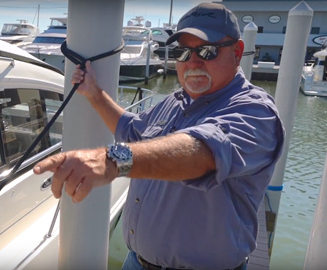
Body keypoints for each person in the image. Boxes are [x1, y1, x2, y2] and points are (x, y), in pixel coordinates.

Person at [33, 2, 285, 270]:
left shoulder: (256, 111)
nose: (194, 62)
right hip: (136, 262)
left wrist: (111, 160)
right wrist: (95, 94)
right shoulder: (174, 101)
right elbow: (132, 131)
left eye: (207, 51)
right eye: (183, 52)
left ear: (237, 52)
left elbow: (204, 152)